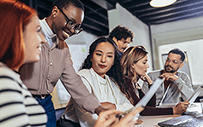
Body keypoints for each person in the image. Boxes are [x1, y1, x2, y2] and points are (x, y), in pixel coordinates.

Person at [19, 0, 105, 126]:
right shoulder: (26, 33)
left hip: (47, 104)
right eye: (71, 23)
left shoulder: (63, 48)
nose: (72, 30)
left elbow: (74, 82)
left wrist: (99, 109)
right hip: (23, 101)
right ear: (55, 12)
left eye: (77, 27)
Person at [62, 37, 142, 127]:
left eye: (109, 56)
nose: (103, 60)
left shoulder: (111, 82)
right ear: (91, 57)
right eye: (99, 54)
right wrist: (120, 116)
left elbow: (131, 109)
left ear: (113, 61)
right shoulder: (83, 77)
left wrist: (114, 107)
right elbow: (88, 119)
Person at [0, 0, 47, 126]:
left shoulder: (11, 77)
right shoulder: (3, 77)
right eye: (37, 30)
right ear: (16, 33)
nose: (43, 40)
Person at [119, 46, 189, 116]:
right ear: (132, 64)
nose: (148, 66)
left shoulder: (134, 83)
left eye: (174, 62)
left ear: (181, 65)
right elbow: (142, 110)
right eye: (144, 62)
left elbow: (150, 106)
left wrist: (151, 84)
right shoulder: (126, 83)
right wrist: (174, 110)